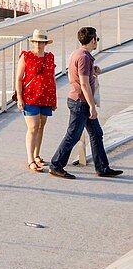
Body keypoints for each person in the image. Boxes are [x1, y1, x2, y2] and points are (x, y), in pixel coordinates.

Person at [49, 26, 123, 179]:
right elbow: (84, 84)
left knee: (97, 133)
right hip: (80, 102)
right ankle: (56, 165)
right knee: (73, 136)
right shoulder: (83, 57)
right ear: (92, 40)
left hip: (79, 101)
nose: (97, 42)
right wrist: (91, 106)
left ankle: (102, 167)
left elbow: (79, 74)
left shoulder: (79, 54)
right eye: (97, 39)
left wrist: (93, 70)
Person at [16, 29, 57, 172]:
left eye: (41, 42)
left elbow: (52, 78)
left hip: (46, 96)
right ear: (33, 42)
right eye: (36, 42)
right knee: (33, 127)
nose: (38, 45)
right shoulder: (26, 56)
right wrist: (19, 98)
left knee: (41, 126)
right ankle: (30, 159)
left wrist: (54, 99)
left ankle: (37, 154)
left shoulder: (50, 57)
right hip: (30, 97)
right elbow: (19, 78)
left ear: (45, 43)